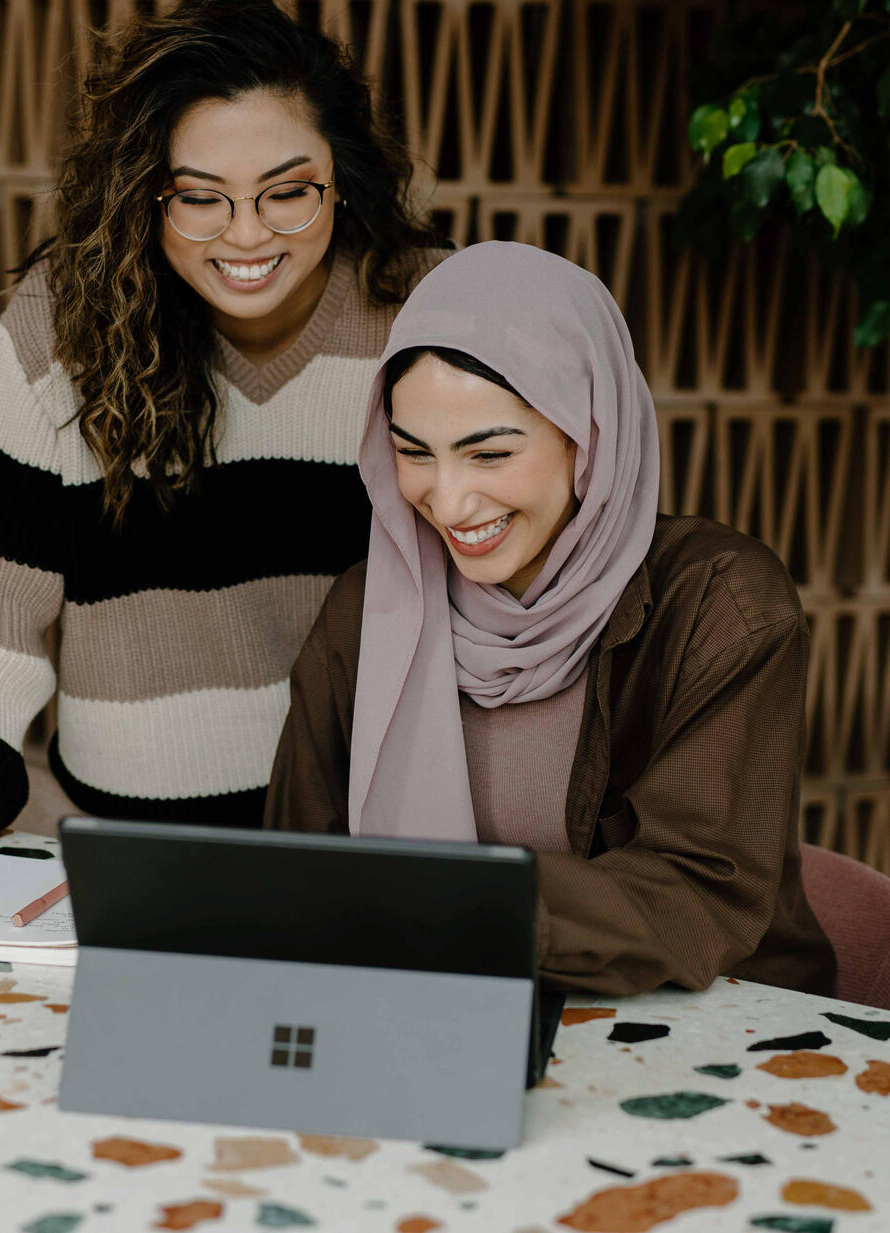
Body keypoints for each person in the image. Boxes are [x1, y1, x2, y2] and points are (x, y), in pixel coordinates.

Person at [0, 0, 445, 883]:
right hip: (128, 849)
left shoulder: (425, 313)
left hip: (372, 839)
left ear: (343, 177)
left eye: (287, 192)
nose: (246, 234)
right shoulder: (63, 324)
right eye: (199, 197)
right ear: (146, 191)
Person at [264, 241, 836, 998]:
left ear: (587, 432)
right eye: (414, 453)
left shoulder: (721, 607)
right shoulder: (368, 612)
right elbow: (294, 865)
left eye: (489, 454)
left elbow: (697, 891)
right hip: (438, 1014)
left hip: (705, 1029)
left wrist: (443, 908)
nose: (449, 500)